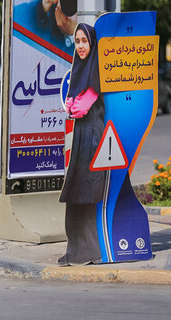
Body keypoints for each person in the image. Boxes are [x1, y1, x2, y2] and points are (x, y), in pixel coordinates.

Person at [58, 23, 105, 265]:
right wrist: (73, 104)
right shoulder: (79, 69)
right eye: (77, 42)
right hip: (81, 138)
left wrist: (75, 104)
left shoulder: (96, 69)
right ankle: (76, 248)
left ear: (92, 43)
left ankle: (90, 250)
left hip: (93, 138)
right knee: (76, 189)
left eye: (84, 41)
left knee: (86, 190)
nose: (81, 46)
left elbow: (80, 106)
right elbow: (71, 104)